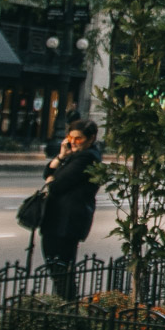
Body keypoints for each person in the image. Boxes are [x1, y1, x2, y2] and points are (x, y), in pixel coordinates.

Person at [41, 120, 101, 300]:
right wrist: (61, 156)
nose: (74, 142)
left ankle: (67, 307)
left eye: (79, 138)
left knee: (61, 270)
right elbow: (47, 174)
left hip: (66, 223)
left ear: (91, 139)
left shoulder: (87, 158)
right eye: (70, 138)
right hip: (60, 220)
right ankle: (65, 305)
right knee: (59, 269)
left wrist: (52, 180)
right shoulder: (75, 156)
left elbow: (56, 185)